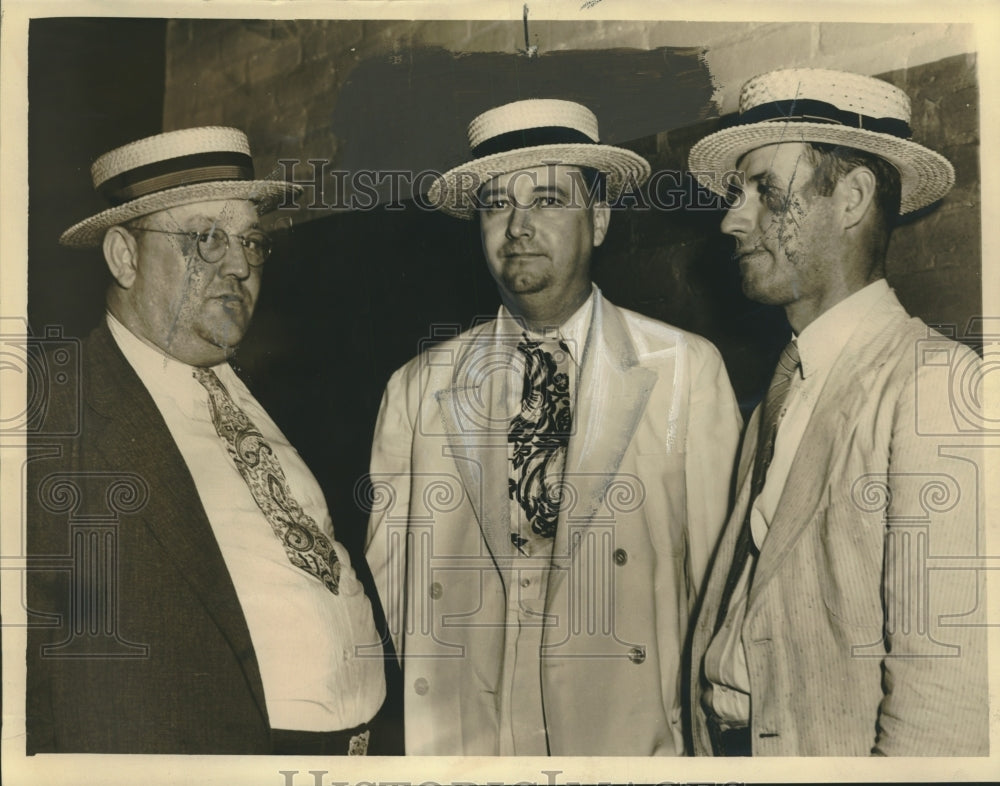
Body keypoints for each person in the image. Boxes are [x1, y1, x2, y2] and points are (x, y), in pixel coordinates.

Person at [364, 98, 742, 755]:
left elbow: (716, 583)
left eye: (546, 200)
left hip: (624, 731)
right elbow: (396, 574)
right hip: (473, 733)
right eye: (496, 206)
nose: (517, 227)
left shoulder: (685, 370)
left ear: (597, 220)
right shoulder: (417, 388)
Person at [26, 126, 393, 755]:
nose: (241, 264)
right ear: (125, 257)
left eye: (251, 241)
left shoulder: (267, 391)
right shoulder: (55, 414)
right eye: (206, 239)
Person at [686, 68, 988, 756]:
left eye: (765, 191)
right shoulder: (779, 394)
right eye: (739, 195)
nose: (733, 220)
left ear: (851, 197)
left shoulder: (934, 384)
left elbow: (946, 708)